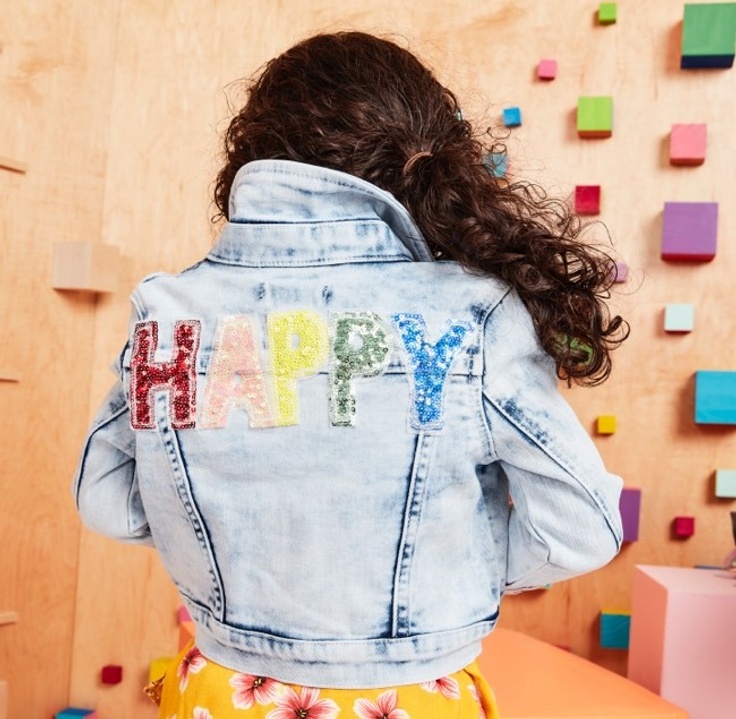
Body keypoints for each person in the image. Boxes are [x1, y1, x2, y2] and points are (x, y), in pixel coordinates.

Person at [73, 31, 628, 719]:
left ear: (252, 158)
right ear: (425, 165)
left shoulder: (167, 312)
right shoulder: (475, 315)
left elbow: (103, 496)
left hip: (224, 693)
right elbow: (583, 527)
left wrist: (229, 535)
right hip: (415, 702)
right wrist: (454, 570)